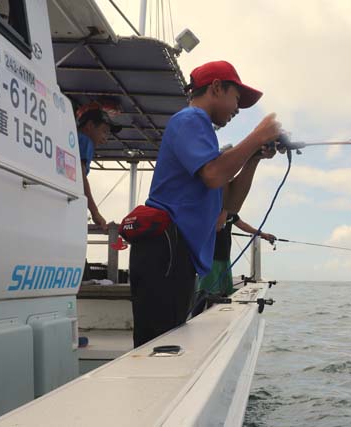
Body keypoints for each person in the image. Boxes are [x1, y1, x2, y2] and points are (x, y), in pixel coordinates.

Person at [128, 60, 282, 347]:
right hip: (165, 251)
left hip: (178, 257)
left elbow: (231, 202)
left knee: (165, 343)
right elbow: (213, 175)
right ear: (215, 87)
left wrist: (253, 158)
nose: (238, 108)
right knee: (156, 347)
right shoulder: (189, 120)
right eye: (237, 98)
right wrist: (257, 135)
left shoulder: (206, 140)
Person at [196, 209, 276, 304]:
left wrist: (262, 234)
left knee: (223, 291)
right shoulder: (213, 207)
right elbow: (218, 226)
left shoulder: (230, 211)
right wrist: (225, 208)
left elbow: (242, 225)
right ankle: (195, 316)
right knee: (204, 293)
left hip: (225, 257)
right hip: (211, 257)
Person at [77, 103, 122, 231]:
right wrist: (95, 212)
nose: (105, 139)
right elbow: (80, 175)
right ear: (90, 126)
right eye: (104, 131)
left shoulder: (74, 138)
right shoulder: (85, 141)